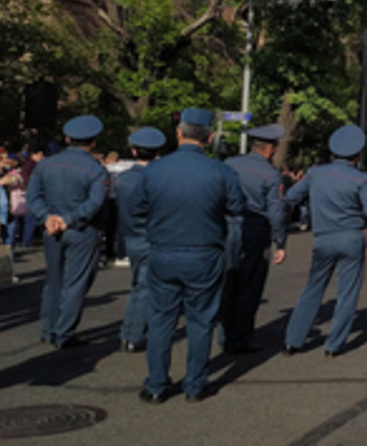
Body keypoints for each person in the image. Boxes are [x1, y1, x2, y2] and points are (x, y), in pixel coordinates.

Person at [130, 108, 245, 403]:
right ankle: (195, 385)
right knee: (201, 320)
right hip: (204, 252)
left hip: (163, 250)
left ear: (178, 133)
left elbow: (135, 208)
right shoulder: (222, 172)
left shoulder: (153, 171)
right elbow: (236, 208)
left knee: (161, 319)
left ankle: (156, 384)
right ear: (208, 137)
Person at [283, 125, 367, 357]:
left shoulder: (315, 173)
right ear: (357, 154)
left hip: (323, 236)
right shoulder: (360, 178)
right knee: (347, 292)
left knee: (313, 288)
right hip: (351, 236)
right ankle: (334, 345)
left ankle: (293, 340)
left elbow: (291, 196)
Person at [27, 115, 108, 349]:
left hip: (51, 228)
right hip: (82, 229)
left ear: (67, 138)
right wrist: (69, 219)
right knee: (76, 282)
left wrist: (47, 217)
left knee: (53, 280)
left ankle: (48, 328)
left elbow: (33, 196)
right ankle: (64, 332)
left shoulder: (45, 165)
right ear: (93, 142)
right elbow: (95, 203)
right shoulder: (95, 170)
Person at [219, 124, 288, 355]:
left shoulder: (229, 165)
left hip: (227, 226)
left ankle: (224, 331)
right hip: (255, 229)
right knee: (250, 285)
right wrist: (280, 241)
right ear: (269, 149)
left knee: (228, 280)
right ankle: (240, 337)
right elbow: (276, 212)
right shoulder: (270, 174)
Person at [114, 127, 166, 353]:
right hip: (153, 239)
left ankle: (130, 331)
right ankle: (133, 335)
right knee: (145, 288)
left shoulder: (123, 179)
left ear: (134, 151)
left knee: (139, 284)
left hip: (131, 237)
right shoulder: (160, 180)